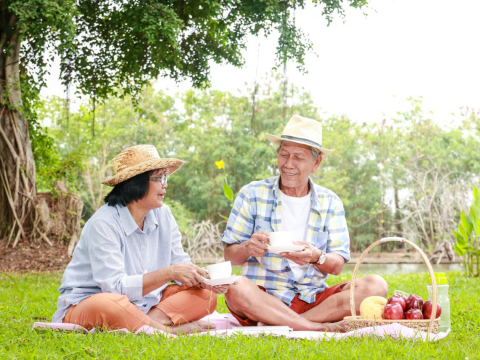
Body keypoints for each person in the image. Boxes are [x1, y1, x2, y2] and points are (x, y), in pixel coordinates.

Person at [222, 115, 388, 332]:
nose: (288, 164)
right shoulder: (252, 194)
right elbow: (230, 256)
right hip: (263, 297)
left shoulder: (330, 202)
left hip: (313, 298)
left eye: (298, 158)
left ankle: (288, 323)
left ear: (316, 163)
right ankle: (315, 328)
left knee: (376, 286)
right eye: (284, 155)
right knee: (235, 286)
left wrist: (315, 256)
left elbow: (337, 264)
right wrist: (247, 247)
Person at [52, 145, 229, 334]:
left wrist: (203, 279)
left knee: (205, 296)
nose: (165, 184)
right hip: (93, 301)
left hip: (146, 303)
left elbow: (180, 262)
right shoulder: (103, 223)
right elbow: (115, 287)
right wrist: (169, 273)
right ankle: (167, 330)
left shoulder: (164, 215)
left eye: (165, 177)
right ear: (136, 182)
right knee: (110, 304)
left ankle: (142, 323)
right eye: (159, 178)